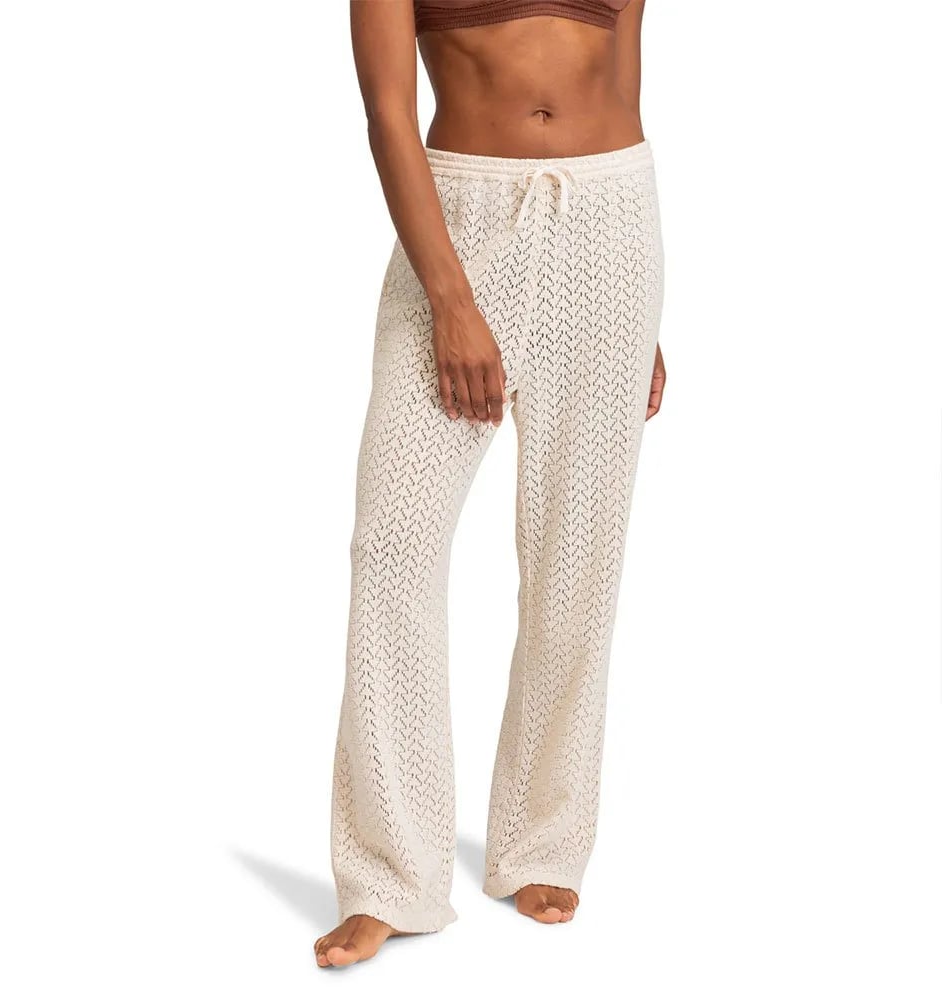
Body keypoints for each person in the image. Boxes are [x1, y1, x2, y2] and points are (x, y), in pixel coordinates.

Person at [315, 0, 666, 968]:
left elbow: (621, 80)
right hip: (458, 221)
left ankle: (543, 841)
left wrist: (638, 313)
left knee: (577, 552)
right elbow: (388, 114)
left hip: (611, 220)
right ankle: (391, 873)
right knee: (391, 548)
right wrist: (451, 298)